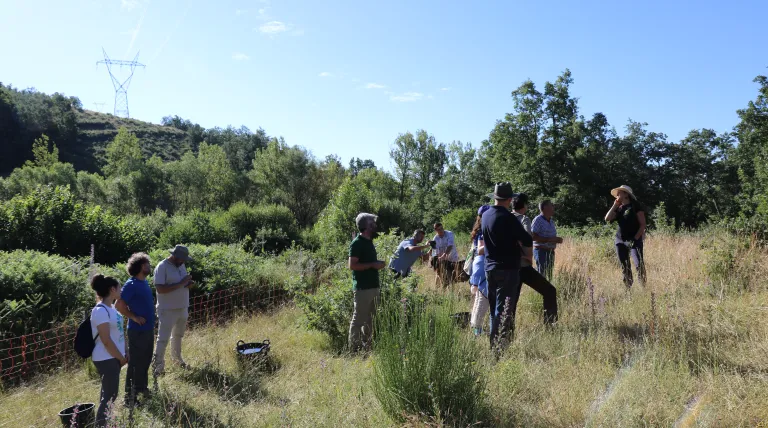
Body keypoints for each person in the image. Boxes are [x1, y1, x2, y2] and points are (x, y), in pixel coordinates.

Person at [482, 182, 533, 352]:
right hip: (508, 269)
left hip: (489, 268)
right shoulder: (509, 218)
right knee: (503, 311)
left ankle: (494, 345)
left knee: (494, 310)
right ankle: (497, 349)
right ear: (510, 199)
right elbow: (527, 240)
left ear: (495, 197)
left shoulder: (486, 215)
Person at [512, 194, 558, 324]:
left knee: (511, 300)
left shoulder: (503, 218)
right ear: (525, 206)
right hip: (523, 265)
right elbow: (528, 238)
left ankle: (506, 332)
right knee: (549, 290)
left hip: (508, 265)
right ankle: (551, 325)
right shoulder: (523, 219)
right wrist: (528, 256)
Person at [116, 253, 155, 406]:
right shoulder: (131, 284)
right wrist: (134, 317)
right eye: (146, 264)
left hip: (147, 329)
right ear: (139, 266)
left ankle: (141, 388)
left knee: (145, 361)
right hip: (137, 331)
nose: (149, 266)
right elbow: (119, 305)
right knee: (135, 363)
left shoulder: (143, 282)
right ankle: (130, 397)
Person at [89, 274, 127, 428]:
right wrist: (120, 357)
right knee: (110, 395)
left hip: (114, 357)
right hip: (106, 357)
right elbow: (105, 340)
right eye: (119, 287)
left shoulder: (113, 310)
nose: (121, 289)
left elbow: (119, 334)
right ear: (112, 289)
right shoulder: (100, 311)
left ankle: (104, 421)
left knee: (108, 393)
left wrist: (125, 352)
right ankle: (101, 424)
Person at [153, 245, 195, 376]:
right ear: (175, 256)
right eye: (182, 259)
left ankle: (177, 360)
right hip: (167, 309)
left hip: (182, 307)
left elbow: (181, 284)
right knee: (163, 339)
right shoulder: (162, 267)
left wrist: (189, 284)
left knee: (178, 336)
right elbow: (160, 289)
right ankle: (158, 367)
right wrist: (182, 283)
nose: (183, 262)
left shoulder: (180, 265)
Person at [348, 213, 386, 352]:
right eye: (372, 222)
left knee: (371, 320)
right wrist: (372, 265)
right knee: (358, 320)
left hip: (373, 287)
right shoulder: (357, 243)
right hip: (362, 289)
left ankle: (367, 347)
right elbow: (352, 265)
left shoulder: (369, 241)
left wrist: (377, 264)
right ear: (366, 225)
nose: (375, 224)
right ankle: (355, 350)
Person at [605, 185, 647, 288]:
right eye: (617, 193)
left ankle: (643, 287)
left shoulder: (635, 206)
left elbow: (643, 225)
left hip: (635, 239)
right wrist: (615, 205)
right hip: (620, 240)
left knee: (638, 264)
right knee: (625, 266)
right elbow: (607, 218)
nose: (617, 195)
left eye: (620, 192)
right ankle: (628, 288)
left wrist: (635, 238)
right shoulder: (618, 209)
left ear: (626, 194)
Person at [469, 205, 491, 336]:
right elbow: (480, 249)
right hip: (482, 265)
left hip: (479, 265)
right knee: (483, 298)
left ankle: (475, 327)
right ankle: (477, 331)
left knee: (479, 298)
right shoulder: (484, 230)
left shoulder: (480, 229)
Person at [531, 200, 563, 280]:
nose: (553, 207)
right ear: (545, 207)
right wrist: (550, 239)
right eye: (551, 205)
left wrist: (557, 240)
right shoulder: (537, 220)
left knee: (549, 277)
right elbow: (533, 237)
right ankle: (539, 292)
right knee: (542, 276)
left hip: (550, 252)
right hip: (541, 252)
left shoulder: (551, 221)